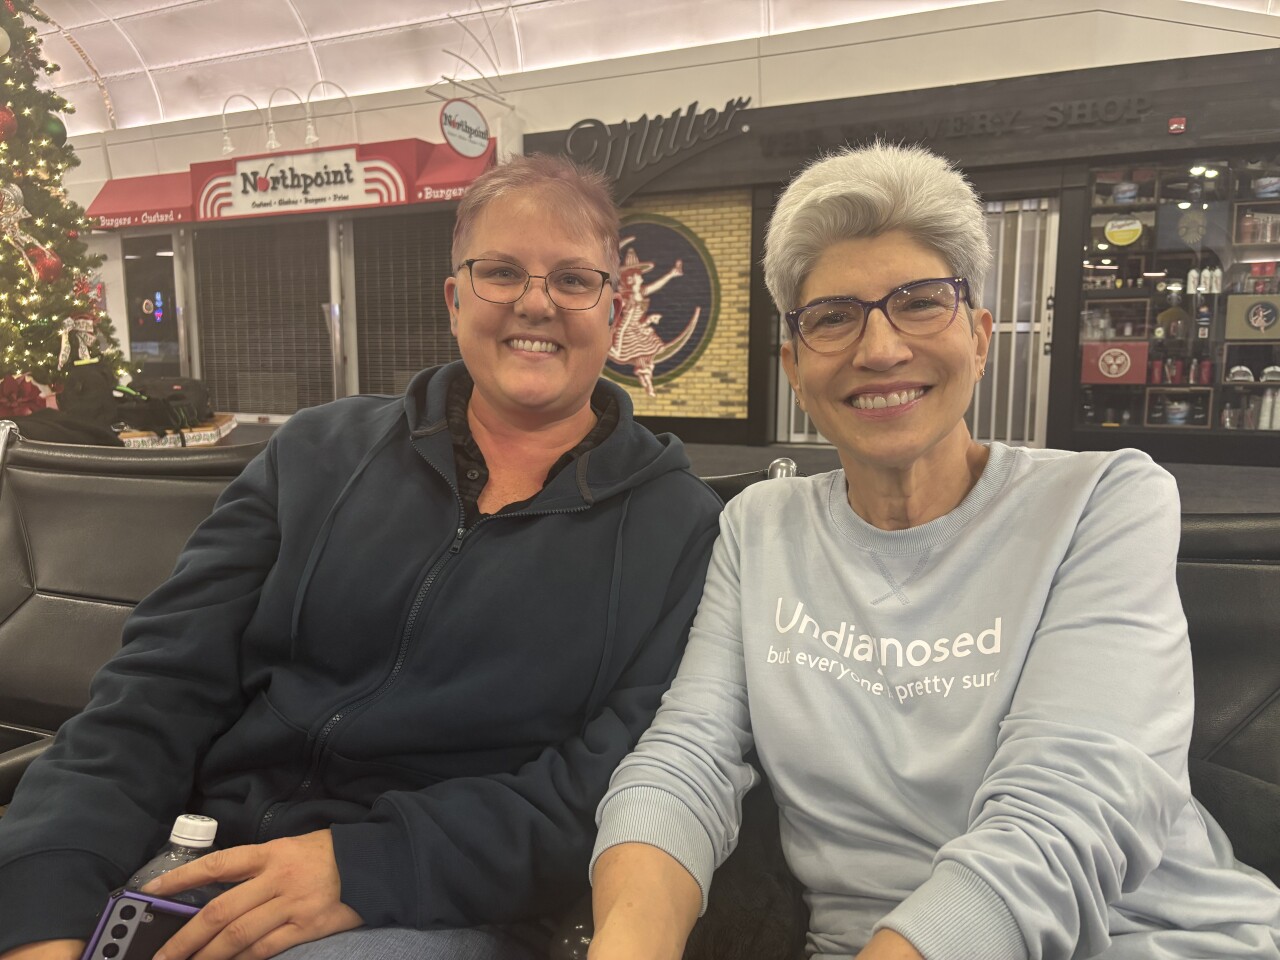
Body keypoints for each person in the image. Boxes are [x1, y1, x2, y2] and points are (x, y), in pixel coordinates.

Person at [0, 153, 723, 960]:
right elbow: (156, 689)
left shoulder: (678, 525)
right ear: (454, 299)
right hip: (199, 856)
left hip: (436, 903)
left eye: (572, 280)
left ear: (614, 307)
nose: (535, 302)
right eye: (501, 272)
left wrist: (365, 865)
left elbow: (609, 785)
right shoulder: (316, 452)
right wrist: (46, 897)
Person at [588, 142, 1280, 960]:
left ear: (979, 337)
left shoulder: (1103, 500)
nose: (879, 349)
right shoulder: (757, 527)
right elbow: (685, 760)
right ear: (796, 367)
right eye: (833, 316)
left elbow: (1070, 809)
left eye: (919, 302)